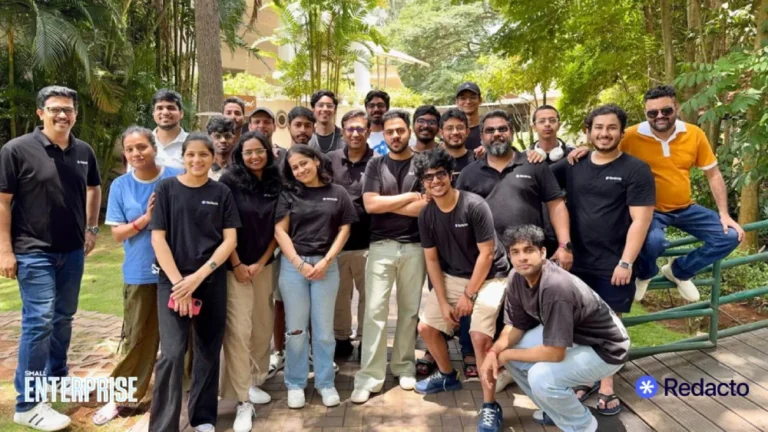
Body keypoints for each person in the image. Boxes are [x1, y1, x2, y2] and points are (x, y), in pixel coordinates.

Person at [569, 85, 743, 302]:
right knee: (654, 242)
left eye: (666, 110)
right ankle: (645, 273)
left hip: (685, 207)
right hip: (649, 211)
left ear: (677, 107)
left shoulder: (694, 134)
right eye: (653, 113)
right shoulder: (631, 135)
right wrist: (585, 151)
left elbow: (713, 174)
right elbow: (605, 145)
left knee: (731, 236)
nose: (659, 116)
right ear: (646, 113)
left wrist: (724, 214)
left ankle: (679, 271)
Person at [1, 86, 101, 431]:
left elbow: (94, 188)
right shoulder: (16, 150)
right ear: (40, 113)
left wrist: (92, 228)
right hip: (32, 252)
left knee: (63, 318)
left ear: (75, 114)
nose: (62, 115)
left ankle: (56, 376)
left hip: (72, 251)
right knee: (39, 322)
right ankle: (28, 405)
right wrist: (4, 250)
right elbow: (2, 202)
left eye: (68, 109)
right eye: (55, 109)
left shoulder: (83, 151)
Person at [455, 109, 571, 395]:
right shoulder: (469, 173)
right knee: (494, 320)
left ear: (512, 132)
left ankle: (540, 375)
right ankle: (502, 371)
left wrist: (565, 245)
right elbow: (458, 214)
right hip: (487, 261)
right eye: (490, 130)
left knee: (535, 316)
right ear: (481, 136)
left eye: (502, 129)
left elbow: (556, 205)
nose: (497, 134)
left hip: (529, 259)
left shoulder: (534, 165)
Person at [551, 105, 655, 416]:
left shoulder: (636, 169)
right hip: (576, 261)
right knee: (578, 322)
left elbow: (641, 221)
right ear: (588, 131)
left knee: (611, 325)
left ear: (621, 133)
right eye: (598, 127)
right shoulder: (573, 164)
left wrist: (626, 262)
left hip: (614, 263)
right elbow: (540, 177)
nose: (604, 133)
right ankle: (585, 377)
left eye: (611, 128)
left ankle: (607, 385)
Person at [480, 225, 629, 432]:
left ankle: (585, 427)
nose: (522, 258)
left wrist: (505, 355)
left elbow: (555, 353)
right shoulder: (516, 276)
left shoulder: (555, 286)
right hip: (575, 335)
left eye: (528, 250)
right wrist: (494, 352)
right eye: (515, 252)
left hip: (607, 349)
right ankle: (553, 410)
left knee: (541, 377)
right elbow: (515, 325)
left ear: (543, 253)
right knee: (511, 353)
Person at [148, 133, 240, 432]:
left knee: (208, 350)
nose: (197, 160)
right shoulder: (167, 188)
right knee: (172, 353)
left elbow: (229, 240)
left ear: (212, 158)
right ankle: (163, 426)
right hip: (173, 282)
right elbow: (158, 238)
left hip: (210, 280)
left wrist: (198, 277)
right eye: (191, 154)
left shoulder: (221, 192)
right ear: (183, 157)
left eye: (203, 154)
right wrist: (181, 285)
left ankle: (203, 417)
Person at [92, 127, 182, 426]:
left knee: (183, 339)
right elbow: (117, 234)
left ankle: (183, 394)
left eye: (141, 147)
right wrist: (145, 218)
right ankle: (121, 397)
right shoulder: (121, 186)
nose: (136, 153)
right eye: (129, 149)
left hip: (178, 272)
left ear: (154, 147)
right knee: (137, 338)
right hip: (140, 271)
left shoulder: (176, 177)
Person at [412, 150, 511, 421]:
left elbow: (487, 255)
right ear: (422, 182)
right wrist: (444, 302)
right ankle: (447, 375)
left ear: (450, 175)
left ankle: (490, 406)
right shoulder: (427, 215)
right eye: (428, 177)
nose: (435, 181)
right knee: (427, 328)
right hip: (454, 275)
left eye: (440, 174)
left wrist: (469, 295)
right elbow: (431, 260)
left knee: (479, 337)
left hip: (491, 275)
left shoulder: (474, 205)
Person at [353, 110, 429, 404]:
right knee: (374, 311)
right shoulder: (376, 163)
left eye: (400, 130)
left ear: (408, 131)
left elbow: (425, 207)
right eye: (389, 132)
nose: (395, 136)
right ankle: (369, 377)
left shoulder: (423, 163)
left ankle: (403, 366)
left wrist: (387, 203)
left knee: (409, 310)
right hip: (381, 246)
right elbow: (370, 205)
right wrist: (409, 197)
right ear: (383, 135)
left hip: (414, 247)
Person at [274, 145, 357, 408]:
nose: (300, 170)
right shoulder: (288, 193)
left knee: (323, 330)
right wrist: (299, 263)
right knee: (296, 329)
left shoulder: (337, 192)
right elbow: (280, 231)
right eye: (294, 168)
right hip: (293, 267)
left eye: (304, 163)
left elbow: (344, 230)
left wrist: (325, 261)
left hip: (326, 266)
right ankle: (295, 383)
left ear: (316, 161)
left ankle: (325, 382)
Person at [218, 132, 282, 431]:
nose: (255, 156)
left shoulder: (276, 181)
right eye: (248, 152)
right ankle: (241, 397)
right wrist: (237, 263)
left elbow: (279, 228)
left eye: (260, 151)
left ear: (268, 152)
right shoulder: (228, 182)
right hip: (234, 267)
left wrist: (260, 262)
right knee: (239, 330)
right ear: (240, 155)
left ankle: (254, 380)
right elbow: (223, 226)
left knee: (262, 326)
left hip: (264, 265)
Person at [328, 110, 374, 359]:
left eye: (360, 129)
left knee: (369, 297)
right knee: (339, 296)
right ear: (342, 131)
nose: (355, 133)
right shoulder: (329, 160)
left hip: (369, 242)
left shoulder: (378, 161)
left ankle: (366, 340)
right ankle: (341, 338)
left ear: (368, 131)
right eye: (350, 128)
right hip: (336, 243)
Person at [247, 106, 287, 374]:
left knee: (279, 301)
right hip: (247, 254)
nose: (261, 126)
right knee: (253, 311)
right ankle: (253, 366)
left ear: (274, 125)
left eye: (266, 121)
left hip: (280, 246)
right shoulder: (237, 170)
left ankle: (280, 350)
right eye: (256, 121)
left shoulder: (284, 159)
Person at [530, 105, 574, 257]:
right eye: (542, 121)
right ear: (534, 126)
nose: (547, 124)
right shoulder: (525, 159)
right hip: (537, 233)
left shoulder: (574, 156)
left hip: (570, 232)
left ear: (559, 124)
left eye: (552, 120)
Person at [364, 89, 416, 156]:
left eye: (380, 105)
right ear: (366, 109)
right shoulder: (361, 137)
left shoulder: (403, 136)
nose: (376, 109)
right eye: (371, 106)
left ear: (387, 108)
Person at [151, 89, 188, 169]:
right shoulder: (143, 143)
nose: (165, 112)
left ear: (181, 113)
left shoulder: (193, 143)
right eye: (159, 108)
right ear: (153, 113)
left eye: (171, 108)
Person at [440, 108, 475, 177]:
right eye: (449, 128)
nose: (455, 132)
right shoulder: (433, 162)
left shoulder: (477, 160)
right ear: (441, 133)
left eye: (460, 128)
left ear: (467, 132)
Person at [455, 82, 484, 156]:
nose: (468, 102)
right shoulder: (453, 132)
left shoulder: (488, 128)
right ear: (457, 102)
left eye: (473, 97)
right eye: (463, 98)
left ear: (480, 100)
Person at [206, 115, 237, 180]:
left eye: (227, 136)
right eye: (217, 136)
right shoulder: (202, 168)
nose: (223, 140)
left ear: (234, 139)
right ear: (209, 139)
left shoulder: (241, 169)